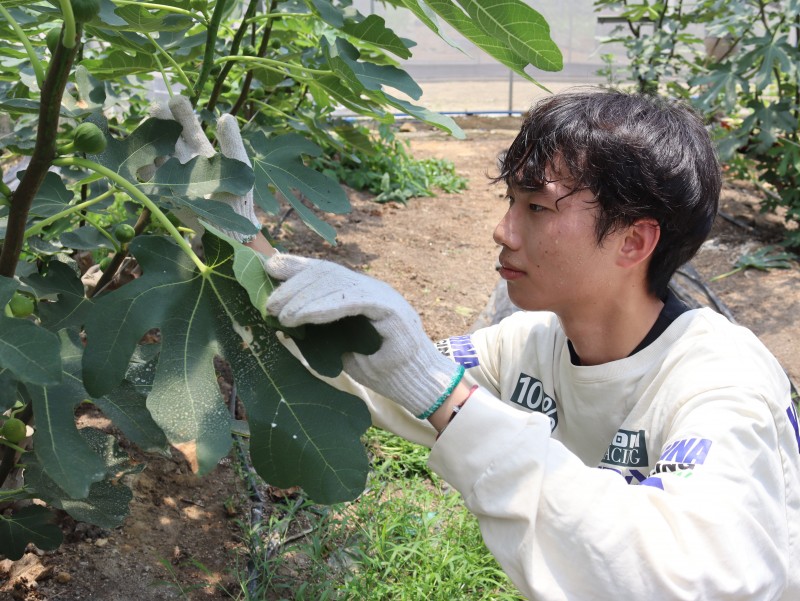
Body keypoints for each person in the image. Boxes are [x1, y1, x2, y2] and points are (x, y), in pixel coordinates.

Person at [163, 90, 800, 599]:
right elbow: (369, 369)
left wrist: (444, 393)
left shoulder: (723, 384)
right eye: (509, 201)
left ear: (633, 241)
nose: (502, 230)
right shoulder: (527, 344)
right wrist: (241, 240)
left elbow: (689, 581)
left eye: (537, 208)